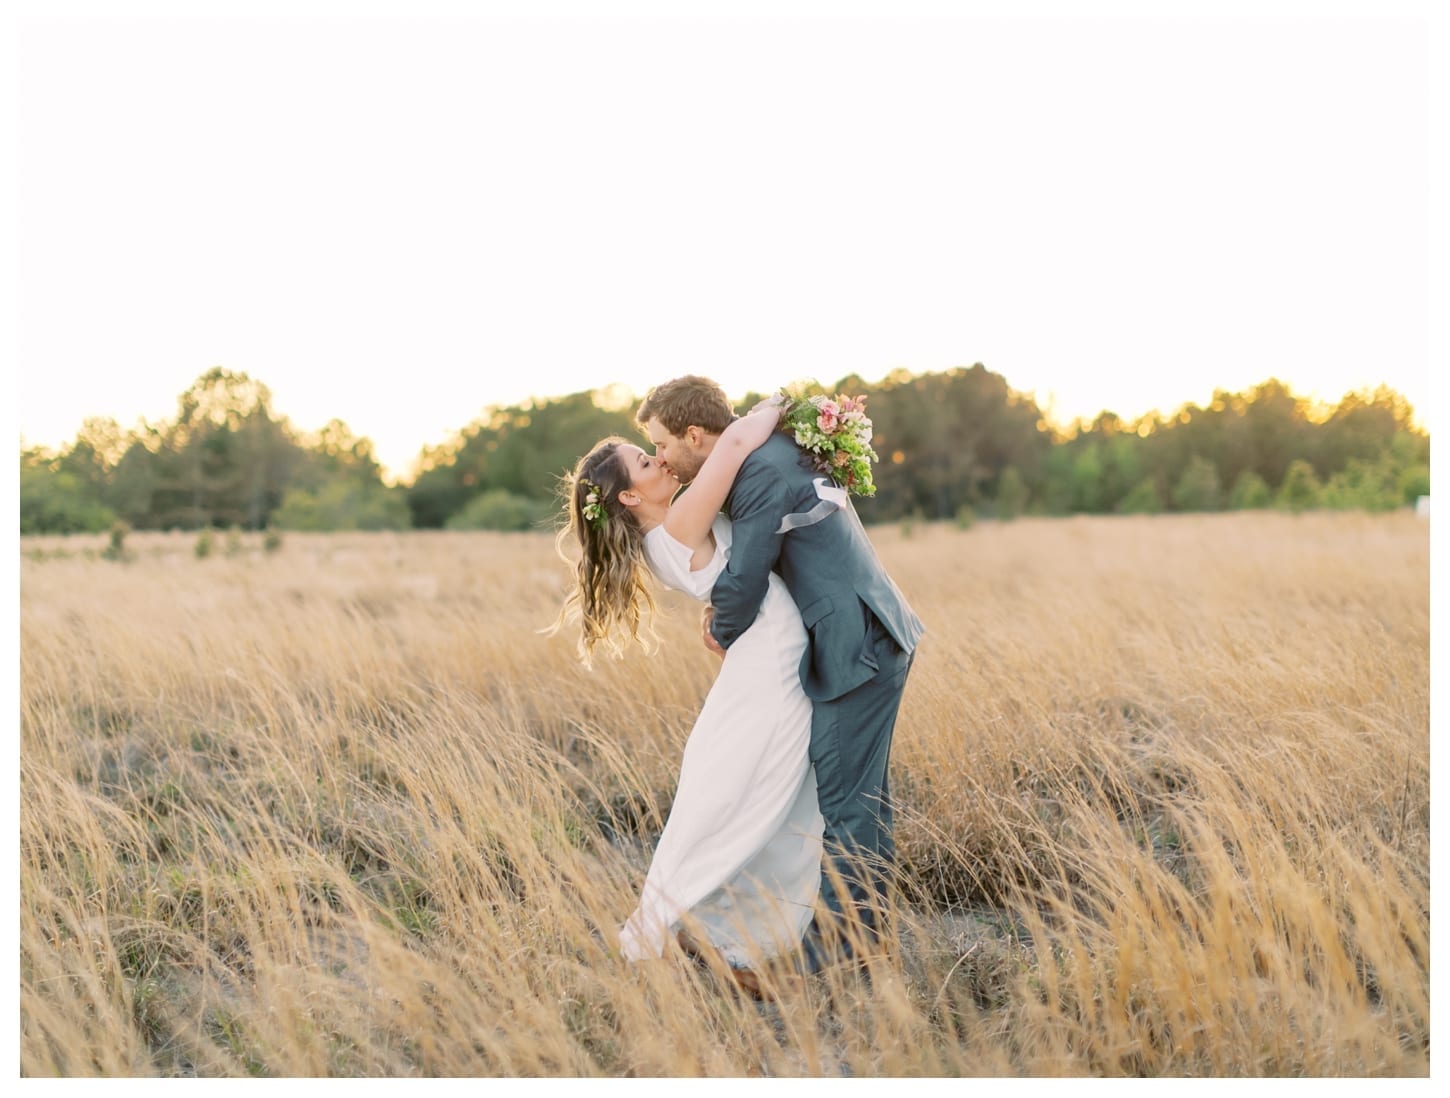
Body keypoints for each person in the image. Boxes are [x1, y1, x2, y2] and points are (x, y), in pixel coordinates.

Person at [636, 376, 924, 975]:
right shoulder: (770, 453)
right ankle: (866, 942)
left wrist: (722, 624)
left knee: (849, 808)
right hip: (859, 636)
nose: (661, 458)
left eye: (662, 444)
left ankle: (839, 956)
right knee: (858, 802)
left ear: (694, 434)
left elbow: (745, 575)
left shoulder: (759, 471)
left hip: (858, 646)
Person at [552, 399, 823, 999]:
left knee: (769, 805)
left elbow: (729, 572)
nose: (662, 461)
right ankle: (686, 937)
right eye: (646, 460)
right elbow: (728, 449)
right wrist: (780, 405)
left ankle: (736, 947)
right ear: (628, 496)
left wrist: (714, 610)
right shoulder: (674, 528)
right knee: (755, 807)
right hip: (769, 673)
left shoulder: (670, 532)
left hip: (765, 667)